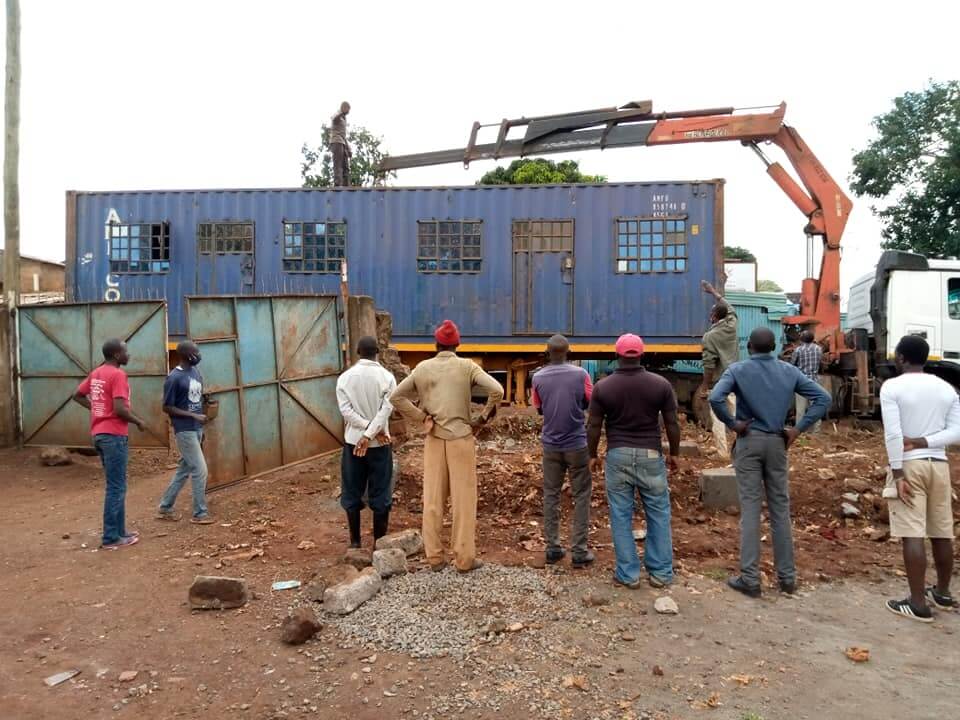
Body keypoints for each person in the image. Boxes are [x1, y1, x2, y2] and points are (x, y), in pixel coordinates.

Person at [709, 327, 830, 598]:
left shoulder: (738, 370)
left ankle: (750, 579)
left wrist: (733, 424)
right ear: (774, 347)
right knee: (780, 510)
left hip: (749, 441)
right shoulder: (789, 371)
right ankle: (787, 579)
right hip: (778, 443)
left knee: (751, 510)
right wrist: (798, 429)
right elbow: (824, 398)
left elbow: (715, 398)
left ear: (749, 346)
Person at [391, 320, 504, 573]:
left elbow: (396, 397)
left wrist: (421, 418)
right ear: (457, 344)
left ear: (436, 344)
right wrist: (482, 417)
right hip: (461, 439)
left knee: (432, 500)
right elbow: (497, 389)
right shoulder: (467, 367)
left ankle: (434, 558)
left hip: (434, 440)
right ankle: (464, 560)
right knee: (463, 502)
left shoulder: (422, 368)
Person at [587, 334, 681, 589]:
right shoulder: (660, 384)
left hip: (618, 455)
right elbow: (672, 423)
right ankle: (661, 573)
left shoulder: (603, 387)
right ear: (642, 354)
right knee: (659, 513)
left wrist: (592, 455)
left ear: (616, 355)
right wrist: (675, 454)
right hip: (651, 455)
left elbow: (594, 424)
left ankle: (628, 575)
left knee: (620, 515)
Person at [879, 334, 960, 622]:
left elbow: (893, 434)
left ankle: (917, 603)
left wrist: (898, 472)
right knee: (941, 532)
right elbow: (956, 432)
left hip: (910, 467)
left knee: (912, 534)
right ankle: (943, 592)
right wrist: (925, 441)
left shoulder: (892, 387)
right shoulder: (947, 389)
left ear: (901, 357)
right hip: (939, 465)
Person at [72, 339, 147, 550]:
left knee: (117, 485)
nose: (128, 355)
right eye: (125, 351)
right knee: (116, 487)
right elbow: (120, 410)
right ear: (116, 354)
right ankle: (111, 538)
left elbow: (77, 395)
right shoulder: (118, 375)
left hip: (100, 434)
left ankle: (120, 532)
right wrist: (139, 421)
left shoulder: (96, 373)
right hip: (114, 435)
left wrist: (98, 410)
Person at [531, 334, 594, 568]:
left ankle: (553, 549)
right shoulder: (581, 375)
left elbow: (538, 409)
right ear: (569, 351)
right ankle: (579, 552)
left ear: (548, 353)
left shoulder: (537, 377)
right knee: (581, 496)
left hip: (551, 445)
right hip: (577, 444)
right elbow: (590, 401)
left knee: (551, 495)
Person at [336, 336, 398, 548]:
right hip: (380, 444)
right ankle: (378, 546)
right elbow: (386, 410)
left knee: (352, 490)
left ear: (357, 352)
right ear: (378, 352)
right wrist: (372, 433)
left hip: (354, 443)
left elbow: (346, 412)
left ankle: (355, 543)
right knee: (381, 492)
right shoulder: (388, 377)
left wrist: (364, 432)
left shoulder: (344, 378)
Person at [157, 341, 213, 524]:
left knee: (184, 469)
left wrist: (205, 409)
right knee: (200, 469)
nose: (199, 354)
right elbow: (167, 407)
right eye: (196, 351)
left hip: (196, 428)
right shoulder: (173, 378)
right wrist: (192, 416)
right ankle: (200, 513)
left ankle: (165, 507)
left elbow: (196, 397)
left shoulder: (195, 372)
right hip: (184, 429)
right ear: (186, 355)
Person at [699, 280, 739, 459]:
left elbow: (709, 365)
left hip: (719, 382)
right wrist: (713, 292)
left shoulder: (710, 337)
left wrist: (705, 387)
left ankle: (722, 452)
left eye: (711, 312)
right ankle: (743, 449)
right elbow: (729, 308)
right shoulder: (732, 326)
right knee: (737, 416)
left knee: (717, 418)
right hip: (735, 379)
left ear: (714, 316)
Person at [790, 330, 825, 433]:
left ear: (801, 339)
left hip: (801, 382)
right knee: (816, 407)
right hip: (815, 381)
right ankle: (816, 432)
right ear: (813, 339)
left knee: (800, 410)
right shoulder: (819, 349)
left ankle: (799, 431)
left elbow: (792, 365)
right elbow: (821, 363)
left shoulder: (798, 350)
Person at [330, 101, 351, 187]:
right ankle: (337, 185)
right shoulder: (337, 115)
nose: (349, 112)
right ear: (344, 108)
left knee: (346, 166)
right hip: (336, 142)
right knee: (338, 165)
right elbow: (333, 118)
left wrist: (348, 148)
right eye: (348, 110)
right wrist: (341, 111)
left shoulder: (344, 119)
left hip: (343, 143)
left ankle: (346, 186)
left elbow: (344, 135)